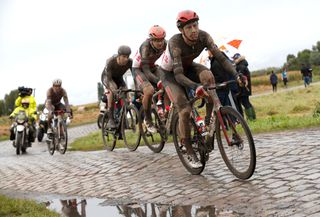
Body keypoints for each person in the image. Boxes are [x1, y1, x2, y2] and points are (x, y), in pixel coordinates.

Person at [159, 10, 245, 168]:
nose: (193, 30)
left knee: (209, 77)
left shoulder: (204, 36)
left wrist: (237, 74)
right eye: (189, 27)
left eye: (195, 25)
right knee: (184, 110)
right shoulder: (175, 43)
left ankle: (207, 122)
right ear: (181, 30)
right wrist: (196, 86)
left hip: (188, 67)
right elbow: (178, 76)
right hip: (170, 74)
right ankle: (189, 149)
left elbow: (220, 57)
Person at [132, 25, 167, 133]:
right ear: (151, 40)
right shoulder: (145, 47)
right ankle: (147, 119)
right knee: (149, 90)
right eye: (156, 40)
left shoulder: (166, 44)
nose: (160, 43)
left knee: (169, 85)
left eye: (161, 40)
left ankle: (166, 113)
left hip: (152, 67)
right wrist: (158, 81)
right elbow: (146, 70)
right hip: (139, 69)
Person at [101, 45, 132, 128]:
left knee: (126, 93)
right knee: (112, 92)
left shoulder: (130, 62)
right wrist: (115, 91)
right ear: (119, 56)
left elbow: (135, 76)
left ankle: (123, 118)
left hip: (119, 78)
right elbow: (109, 79)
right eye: (124, 57)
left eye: (128, 57)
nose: (126, 59)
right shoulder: (110, 61)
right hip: (108, 78)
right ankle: (111, 119)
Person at [232, 53, 256, 121]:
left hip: (243, 89)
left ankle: (250, 118)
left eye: (234, 59)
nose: (233, 60)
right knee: (247, 103)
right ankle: (253, 117)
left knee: (245, 103)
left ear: (237, 59)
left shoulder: (240, 66)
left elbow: (240, 78)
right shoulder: (243, 65)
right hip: (246, 88)